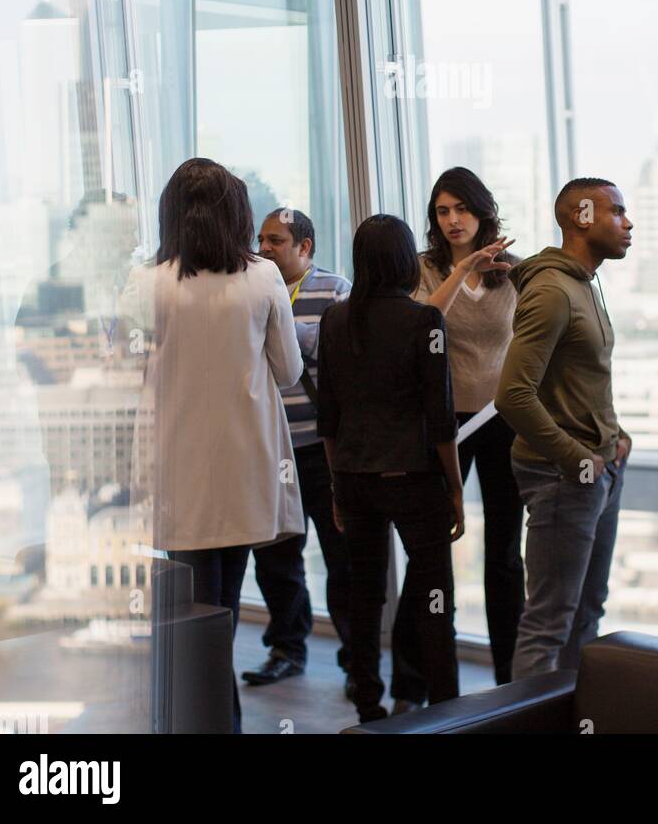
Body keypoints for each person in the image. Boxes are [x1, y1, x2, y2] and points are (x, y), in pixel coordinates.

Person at [123, 159, 303, 734]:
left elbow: (127, 373)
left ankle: (202, 719)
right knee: (221, 602)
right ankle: (214, 719)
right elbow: (289, 370)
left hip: (177, 468)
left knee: (194, 609)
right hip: (250, 467)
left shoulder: (144, 284)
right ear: (238, 212)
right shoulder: (264, 277)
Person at [317, 214, 463, 724]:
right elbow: (441, 420)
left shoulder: (335, 321)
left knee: (364, 591)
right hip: (413, 478)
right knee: (434, 594)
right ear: (405, 260)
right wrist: (456, 490)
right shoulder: (424, 322)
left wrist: (337, 487)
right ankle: (446, 704)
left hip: (354, 478)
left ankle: (366, 703)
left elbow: (328, 418)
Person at [390, 168, 523, 711]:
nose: (452, 220)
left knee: (504, 555)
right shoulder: (425, 269)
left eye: (461, 209)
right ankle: (410, 683)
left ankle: (512, 679)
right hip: (444, 422)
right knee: (430, 550)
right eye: (442, 211)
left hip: (503, 417)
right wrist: (464, 267)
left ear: (481, 210)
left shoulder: (512, 269)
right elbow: (424, 322)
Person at [496, 176, 633, 678]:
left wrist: (614, 436)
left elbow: (581, 379)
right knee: (549, 624)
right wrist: (577, 458)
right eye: (616, 211)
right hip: (562, 477)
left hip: (597, 472)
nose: (628, 222)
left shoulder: (582, 282)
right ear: (581, 217)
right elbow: (512, 394)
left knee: (585, 614)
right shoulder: (554, 291)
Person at [242, 208, 353, 693]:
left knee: (341, 557)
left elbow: (350, 354)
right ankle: (286, 649)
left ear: (305, 247)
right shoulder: (248, 288)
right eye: (261, 239)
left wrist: (299, 336)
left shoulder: (336, 289)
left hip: (323, 450)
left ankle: (357, 661)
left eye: (276, 240)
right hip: (269, 449)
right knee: (275, 558)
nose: (264, 248)